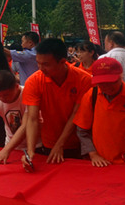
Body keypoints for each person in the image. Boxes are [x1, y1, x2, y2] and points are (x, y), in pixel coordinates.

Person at [21, 38, 93, 171]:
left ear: (62, 62)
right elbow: (32, 118)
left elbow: (76, 114)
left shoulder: (84, 80)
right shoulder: (34, 81)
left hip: (79, 143)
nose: (41, 68)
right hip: (49, 142)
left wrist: (60, 144)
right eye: (38, 63)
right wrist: (30, 150)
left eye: (46, 64)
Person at [75, 57, 125, 166]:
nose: (107, 87)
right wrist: (93, 154)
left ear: (121, 76)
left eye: (111, 82)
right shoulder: (91, 96)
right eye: (102, 83)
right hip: (102, 162)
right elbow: (82, 131)